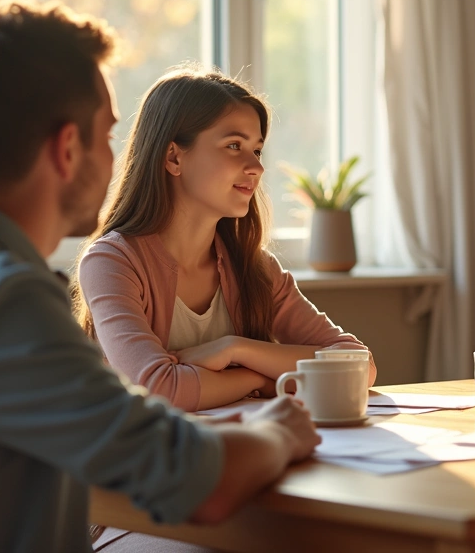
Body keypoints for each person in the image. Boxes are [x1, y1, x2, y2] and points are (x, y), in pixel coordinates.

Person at [0, 0, 320, 553]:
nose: (118, 160)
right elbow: (191, 479)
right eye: (109, 136)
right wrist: (278, 432)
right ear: (68, 148)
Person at [73, 66, 374, 412]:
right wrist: (260, 379)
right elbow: (159, 390)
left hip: (244, 454)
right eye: (234, 145)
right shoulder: (111, 262)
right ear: (173, 157)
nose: (256, 167)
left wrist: (236, 349)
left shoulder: (253, 266)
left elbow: (360, 365)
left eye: (257, 150)